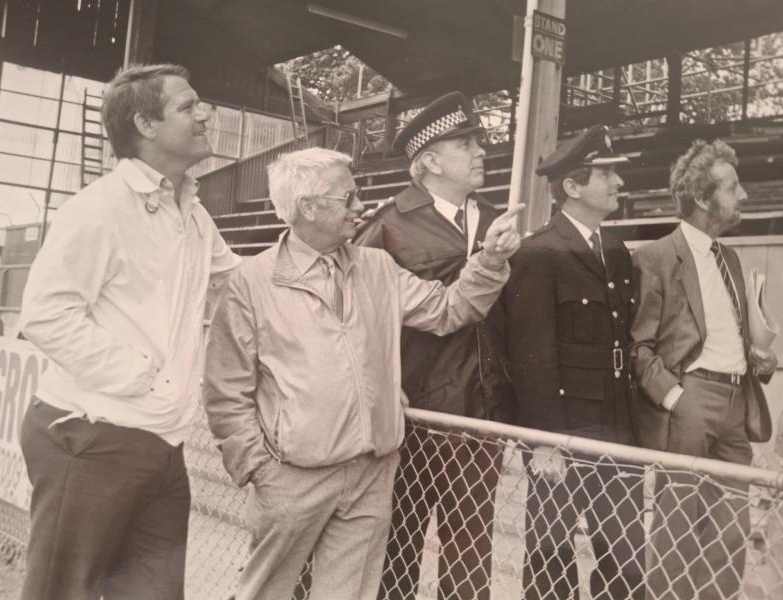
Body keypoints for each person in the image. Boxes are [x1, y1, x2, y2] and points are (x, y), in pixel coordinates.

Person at [203, 146, 522, 600]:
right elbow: (225, 389)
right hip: (293, 477)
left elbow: (451, 309)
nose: (360, 207)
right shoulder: (252, 281)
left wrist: (490, 261)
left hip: (371, 474)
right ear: (307, 207)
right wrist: (258, 468)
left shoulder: (376, 268)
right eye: (347, 198)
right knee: (267, 593)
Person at [18, 63, 240, 600]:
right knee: (59, 592)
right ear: (145, 123)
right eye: (188, 107)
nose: (204, 113)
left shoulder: (191, 212)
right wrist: (144, 377)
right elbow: (46, 314)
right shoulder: (100, 209)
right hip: (90, 438)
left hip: (162, 447)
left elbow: (237, 283)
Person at [354, 91, 516, 600]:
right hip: (414, 417)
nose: (480, 153)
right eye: (465, 143)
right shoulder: (387, 226)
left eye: (478, 144)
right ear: (428, 160)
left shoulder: (496, 221)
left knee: (471, 555)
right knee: (397, 548)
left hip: (480, 414)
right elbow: (354, 319)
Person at [631, 139, 777, 600]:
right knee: (676, 526)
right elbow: (639, 346)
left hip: (738, 402)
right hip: (689, 400)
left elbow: (729, 331)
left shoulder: (729, 257)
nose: (744, 196)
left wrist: (761, 361)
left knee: (732, 528)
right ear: (701, 198)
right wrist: (675, 398)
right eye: (732, 187)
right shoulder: (655, 258)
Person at [506, 124, 645, 600]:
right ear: (572, 186)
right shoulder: (538, 252)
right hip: (563, 429)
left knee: (626, 559)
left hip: (616, 424)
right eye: (605, 174)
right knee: (551, 561)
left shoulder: (617, 252)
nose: (618, 184)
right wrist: (545, 441)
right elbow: (531, 356)